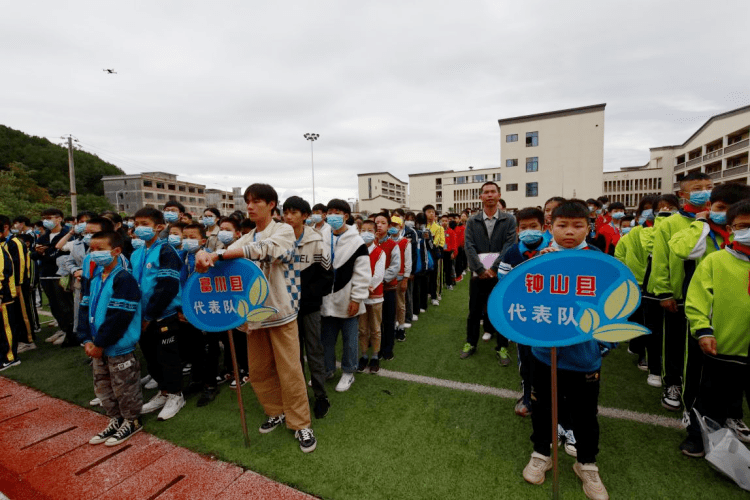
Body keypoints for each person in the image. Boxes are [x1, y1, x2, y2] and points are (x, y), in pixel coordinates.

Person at [195, 183, 317, 453]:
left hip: (281, 313)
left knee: (291, 371)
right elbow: (225, 258)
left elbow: (269, 250)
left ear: (272, 205)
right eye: (247, 201)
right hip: (253, 315)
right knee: (259, 370)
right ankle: (276, 411)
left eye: (256, 201)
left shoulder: (283, 230)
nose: (249, 206)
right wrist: (204, 255)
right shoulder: (246, 236)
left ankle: (301, 423)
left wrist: (220, 253)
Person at [522, 200, 611, 500]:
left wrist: (604, 342)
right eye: (562, 225)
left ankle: (586, 464)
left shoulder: (599, 261)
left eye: (577, 225)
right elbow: (519, 300)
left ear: (589, 227)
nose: (569, 232)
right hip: (544, 354)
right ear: (550, 228)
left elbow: (613, 307)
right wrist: (536, 265)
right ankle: (541, 453)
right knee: (543, 407)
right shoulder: (541, 259)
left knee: (586, 414)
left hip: (585, 357)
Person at [668, 183, 750, 427]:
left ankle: (733, 415)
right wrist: (700, 224)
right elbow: (683, 251)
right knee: (698, 369)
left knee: (737, 375)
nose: (725, 213)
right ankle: (692, 411)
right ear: (709, 207)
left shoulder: (738, 231)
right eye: (720, 208)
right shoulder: (697, 228)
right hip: (703, 309)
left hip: (738, 322)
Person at [650, 171, 713, 412]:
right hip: (678, 295)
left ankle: (698, 388)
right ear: (682, 194)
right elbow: (661, 260)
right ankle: (672, 383)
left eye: (709, 187)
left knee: (702, 345)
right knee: (674, 342)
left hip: (708, 297)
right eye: (698, 188)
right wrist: (664, 292)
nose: (704, 192)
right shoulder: (670, 224)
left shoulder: (716, 222)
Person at [79, 231, 143, 446]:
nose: (95, 254)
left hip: (117, 345)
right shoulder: (95, 278)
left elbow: (119, 317)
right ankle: (116, 419)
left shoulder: (124, 279)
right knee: (103, 386)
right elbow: (85, 307)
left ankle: (132, 420)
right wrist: (86, 338)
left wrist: (100, 343)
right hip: (97, 345)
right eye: (92, 249)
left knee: (124, 386)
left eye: (100, 250)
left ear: (116, 251)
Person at [131, 208, 185, 421]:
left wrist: (150, 315)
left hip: (163, 315)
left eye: (144, 223)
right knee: (152, 357)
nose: (139, 228)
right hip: (142, 316)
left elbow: (167, 287)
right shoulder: (137, 253)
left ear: (159, 227)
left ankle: (176, 395)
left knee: (168, 357)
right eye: (136, 223)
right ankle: (163, 392)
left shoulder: (166, 251)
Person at [282, 196, 333, 418]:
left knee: (314, 350)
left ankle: (321, 396)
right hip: (285, 308)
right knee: (292, 355)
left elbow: (327, 276)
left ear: (305, 216)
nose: (289, 217)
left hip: (309, 307)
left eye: (294, 212)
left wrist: (305, 296)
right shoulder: (278, 239)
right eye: (286, 212)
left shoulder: (317, 241)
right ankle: (298, 396)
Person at [494, 208, 546, 416]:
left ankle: (549, 398)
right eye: (524, 227)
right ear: (517, 230)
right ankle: (527, 397)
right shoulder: (513, 252)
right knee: (526, 360)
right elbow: (503, 281)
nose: (529, 231)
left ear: (544, 228)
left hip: (548, 318)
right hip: (524, 316)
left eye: (534, 227)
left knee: (548, 360)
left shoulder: (553, 251)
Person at [461, 182, 517, 362]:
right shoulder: (472, 220)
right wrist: (480, 269)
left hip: (500, 274)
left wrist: (494, 269)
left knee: (499, 310)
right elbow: (468, 245)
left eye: (493, 191)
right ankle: (471, 343)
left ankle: (502, 347)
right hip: (478, 274)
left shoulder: (509, 220)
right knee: (474, 311)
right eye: (486, 192)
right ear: (481, 197)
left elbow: (509, 245)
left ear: (499, 195)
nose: (490, 195)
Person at [320, 199, 370, 392]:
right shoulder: (323, 236)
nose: (332, 216)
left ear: (346, 216)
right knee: (326, 339)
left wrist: (357, 299)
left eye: (337, 212)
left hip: (347, 298)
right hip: (326, 298)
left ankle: (348, 372)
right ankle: (327, 369)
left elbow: (363, 273)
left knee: (350, 339)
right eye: (329, 212)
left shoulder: (357, 241)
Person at [179, 223, 221, 407]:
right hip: (186, 310)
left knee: (209, 348)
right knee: (192, 347)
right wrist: (182, 309)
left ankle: (210, 384)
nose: (187, 241)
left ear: (203, 241)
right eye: (184, 237)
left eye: (192, 237)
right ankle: (196, 380)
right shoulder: (182, 257)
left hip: (206, 310)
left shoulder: (209, 258)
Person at [33, 208, 76, 347]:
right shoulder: (43, 236)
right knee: (53, 304)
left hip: (62, 274)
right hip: (46, 274)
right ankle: (62, 328)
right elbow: (33, 255)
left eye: (49, 217)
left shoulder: (67, 234)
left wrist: (47, 253)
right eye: (44, 217)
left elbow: (61, 253)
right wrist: (39, 252)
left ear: (59, 219)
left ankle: (70, 331)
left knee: (64, 302)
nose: (46, 220)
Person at [374, 212, 400, 361]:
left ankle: (388, 348)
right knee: (374, 321)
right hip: (372, 290)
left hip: (387, 288)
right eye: (377, 222)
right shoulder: (369, 244)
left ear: (389, 226)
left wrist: (379, 279)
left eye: (383, 222)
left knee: (388, 320)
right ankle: (376, 347)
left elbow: (395, 267)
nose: (379, 225)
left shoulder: (393, 245)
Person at [390, 216, 412, 340]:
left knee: (400, 304)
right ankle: (392, 327)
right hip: (388, 279)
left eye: (396, 225)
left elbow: (408, 262)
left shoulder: (405, 242)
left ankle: (401, 328)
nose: (393, 227)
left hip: (399, 278)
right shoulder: (385, 241)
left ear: (401, 226)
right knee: (390, 305)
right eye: (391, 225)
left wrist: (405, 279)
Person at [422, 205, 444, 306]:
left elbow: (440, 242)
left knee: (434, 275)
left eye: (433, 212)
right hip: (423, 252)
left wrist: (433, 244)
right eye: (429, 212)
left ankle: (434, 296)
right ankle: (426, 293)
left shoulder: (439, 228)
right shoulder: (422, 227)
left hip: (434, 253)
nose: (431, 214)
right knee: (424, 275)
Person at [440, 215, 456, 291]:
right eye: (442, 221)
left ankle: (449, 284)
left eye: (445, 221)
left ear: (448, 221)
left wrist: (453, 252)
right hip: (440, 252)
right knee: (440, 270)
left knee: (448, 269)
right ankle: (441, 284)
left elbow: (454, 243)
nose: (444, 222)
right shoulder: (439, 231)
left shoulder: (451, 231)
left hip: (448, 252)